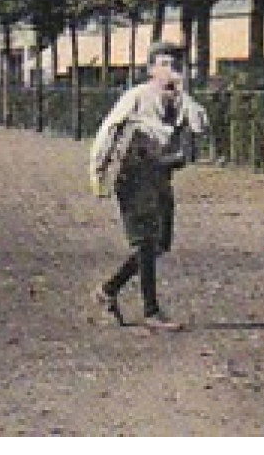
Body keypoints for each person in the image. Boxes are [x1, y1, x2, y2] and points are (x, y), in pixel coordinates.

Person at [89, 41, 209, 332]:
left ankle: (108, 291)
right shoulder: (137, 97)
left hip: (159, 173)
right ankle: (151, 311)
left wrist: (183, 93)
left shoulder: (180, 102)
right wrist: (98, 171)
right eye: (164, 64)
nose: (171, 71)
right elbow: (108, 131)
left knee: (159, 244)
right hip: (132, 172)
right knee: (145, 240)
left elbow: (201, 125)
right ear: (151, 69)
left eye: (177, 66)